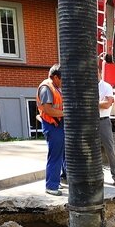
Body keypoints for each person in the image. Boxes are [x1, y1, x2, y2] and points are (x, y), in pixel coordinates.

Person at [38, 64, 65, 196]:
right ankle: (51, 186)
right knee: (55, 156)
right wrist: (67, 113)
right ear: (55, 77)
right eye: (62, 79)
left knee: (61, 154)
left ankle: (58, 180)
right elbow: (47, 109)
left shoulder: (55, 87)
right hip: (52, 126)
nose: (63, 83)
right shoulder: (46, 88)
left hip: (58, 125)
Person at [98, 68, 115, 188]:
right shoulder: (88, 87)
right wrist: (99, 103)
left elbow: (107, 103)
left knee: (110, 150)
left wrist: (90, 103)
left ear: (98, 73)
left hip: (103, 121)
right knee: (93, 151)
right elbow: (103, 103)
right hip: (91, 122)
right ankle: (99, 177)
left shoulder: (106, 86)